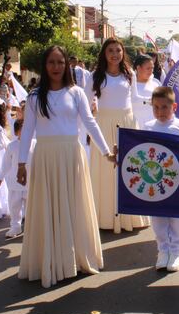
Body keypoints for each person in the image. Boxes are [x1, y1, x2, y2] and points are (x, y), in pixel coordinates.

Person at [17, 45, 115, 288]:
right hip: (45, 158)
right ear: (44, 65)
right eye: (51, 62)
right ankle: (49, 261)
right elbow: (27, 130)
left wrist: (106, 151)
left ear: (67, 65)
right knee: (48, 208)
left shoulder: (77, 93)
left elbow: (90, 123)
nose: (56, 67)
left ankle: (76, 258)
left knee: (74, 206)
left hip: (72, 155)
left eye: (60, 62)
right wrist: (21, 163)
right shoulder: (33, 97)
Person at [89, 37, 149, 233]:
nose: (115, 54)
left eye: (118, 50)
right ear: (104, 54)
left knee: (129, 170)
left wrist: (155, 98)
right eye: (110, 51)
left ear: (123, 53)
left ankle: (130, 217)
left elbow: (135, 98)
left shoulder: (129, 74)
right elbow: (84, 101)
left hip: (127, 124)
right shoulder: (95, 76)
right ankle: (104, 218)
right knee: (106, 172)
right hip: (103, 126)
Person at [143, 87, 179, 272]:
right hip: (155, 181)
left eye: (164, 107)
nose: (160, 112)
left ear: (174, 106)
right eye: (156, 107)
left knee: (178, 217)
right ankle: (163, 251)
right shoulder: (147, 127)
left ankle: (176, 251)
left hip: (178, 182)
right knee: (158, 217)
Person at [0, 119, 34, 239]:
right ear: (17, 132)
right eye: (23, 129)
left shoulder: (36, 144)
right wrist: (0, 177)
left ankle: (30, 227)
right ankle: (15, 226)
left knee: (31, 207)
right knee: (14, 206)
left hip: (31, 182)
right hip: (14, 183)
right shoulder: (12, 146)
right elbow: (6, 164)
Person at [132, 54, 162, 130]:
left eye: (152, 68)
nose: (151, 71)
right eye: (148, 68)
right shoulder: (129, 85)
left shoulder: (156, 83)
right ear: (138, 68)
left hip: (154, 128)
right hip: (134, 128)